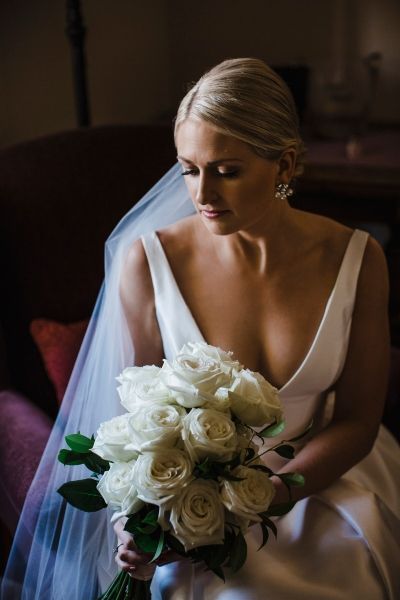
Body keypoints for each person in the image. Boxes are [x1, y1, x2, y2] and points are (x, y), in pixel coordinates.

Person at [2, 58, 399, 600]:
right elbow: (129, 425)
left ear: (283, 165)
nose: (202, 192)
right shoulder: (149, 260)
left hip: (315, 487)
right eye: (189, 168)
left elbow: (356, 420)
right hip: (187, 511)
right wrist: (136, 521)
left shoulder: (357, 259)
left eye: (227, 170)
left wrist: (272, 496)